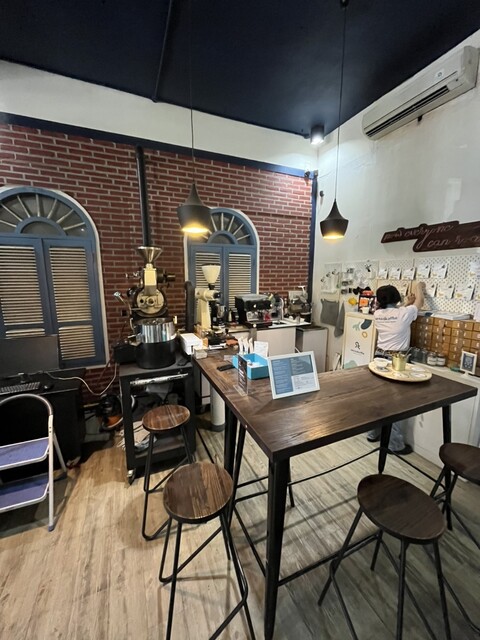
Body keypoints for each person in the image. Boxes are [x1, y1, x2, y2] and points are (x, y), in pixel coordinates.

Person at [367, 281, 426, 454]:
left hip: (378, 358)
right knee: (396, 403)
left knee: (378, 398)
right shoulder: (404, 313)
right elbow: (420, 302)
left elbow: (394, 313)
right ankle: (395, 444)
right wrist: (419, 288)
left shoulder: (378, 313)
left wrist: (407, 303)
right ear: (396, 298)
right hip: (396, 361)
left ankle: (372, 433)